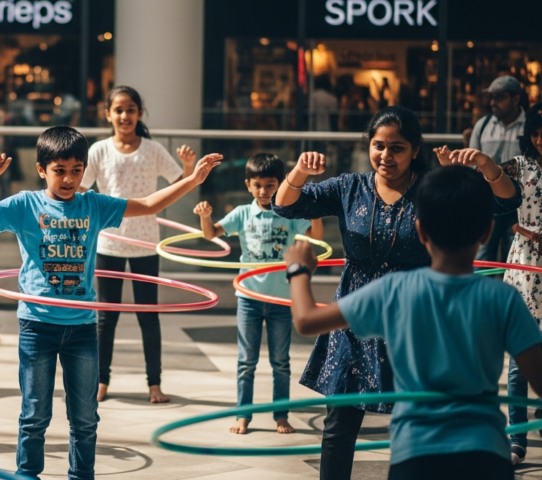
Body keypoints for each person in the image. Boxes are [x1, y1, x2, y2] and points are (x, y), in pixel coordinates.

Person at [274, 106, 520, 479]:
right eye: (378, 146)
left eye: (397, 148)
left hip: (415, 314)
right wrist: (298, 172)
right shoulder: (348, 187)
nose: (385, 156)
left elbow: (505, 202)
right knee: (340, 423)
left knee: (419, 421)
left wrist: (486, 166)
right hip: (356, 312)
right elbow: (283, 206)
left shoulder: (431, 188)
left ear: (415, 149)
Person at [0, 125, 221, 479]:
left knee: (85, 417)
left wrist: (193, 180)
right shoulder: (25, 204)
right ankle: (27, 474)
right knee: (35, 412)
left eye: (76, 170)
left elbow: (149, 204)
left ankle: (82, 475)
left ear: (85, 169)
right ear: (42, 169)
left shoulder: (94, 205)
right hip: (37, 324)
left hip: (82, 328)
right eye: (59, 171)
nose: (68, 179)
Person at [435, 103, 542, 465]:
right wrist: (475, 162)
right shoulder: (522, 165)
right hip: (526, 265)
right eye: (537, 132)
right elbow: (496, 183)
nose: (541, 139)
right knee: (517, 358)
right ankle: (516, 437)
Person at [79, 85, 198, 404]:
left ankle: (154, 384)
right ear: (107, 115)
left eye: (131, 109)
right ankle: (101, 381)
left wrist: (188, 170)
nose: (125, 116)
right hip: (108, 243)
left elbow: (176, 186)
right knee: (106, 317)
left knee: (149, 314)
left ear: (140, 113)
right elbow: (80, 188)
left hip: (145, 242)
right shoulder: (99, 151)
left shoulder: (153, 149)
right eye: (118, 110)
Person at [195, 153, 323, 435]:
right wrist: (205, 217)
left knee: (280, 362)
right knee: (246, 362)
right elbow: (210, 234)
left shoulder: (288, 213)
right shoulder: (242, 213)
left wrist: (313, 210)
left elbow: (317, 237)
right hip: (249, 300)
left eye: (270, 185)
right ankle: (244, 415)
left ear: (280, 185)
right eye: (258, 185)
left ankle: (281, 415)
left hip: (280, 300)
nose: (264, 191)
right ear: (248, 185)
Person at [469, 75, 526, 262]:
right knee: (482, 260)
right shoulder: (483, 125)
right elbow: (471, 165)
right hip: (488, 204)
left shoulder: (530, 128)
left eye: (499, 97)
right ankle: (480, 292)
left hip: (519, 205)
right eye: (491, 97)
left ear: (516, 98)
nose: (493, 102)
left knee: (516, 260)